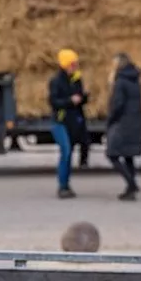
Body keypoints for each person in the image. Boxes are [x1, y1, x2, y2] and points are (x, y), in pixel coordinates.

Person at [48, 49, 89, 199]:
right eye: (72, 64)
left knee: (69, 153)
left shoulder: (77, 79)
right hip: (59, 121)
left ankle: (66, 184)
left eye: (76, 64)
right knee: (66, 151)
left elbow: (81, 101)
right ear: (65, 65)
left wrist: (84, 98)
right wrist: (70, 101)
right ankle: (62, 186)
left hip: (73, 121)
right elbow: (53, 102)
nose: (75, 66)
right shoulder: (56, 81)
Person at [105, 53, 141, 201]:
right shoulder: (135, 79)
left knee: (112, 154)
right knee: (128, 156)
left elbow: (117, 104)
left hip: (122, 122)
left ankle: (131, 183)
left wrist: (110, 120)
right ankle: (130, 189)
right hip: (134, 121)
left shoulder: (120, 81)